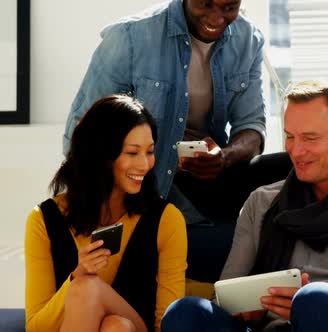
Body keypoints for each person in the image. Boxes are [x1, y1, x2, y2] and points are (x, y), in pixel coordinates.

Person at [63, 0, 292, 283]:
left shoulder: (248, 40)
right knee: (236, 243)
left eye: (229, 7)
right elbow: (81, 138)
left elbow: (252, 128)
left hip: (210, 176)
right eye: (206, 4)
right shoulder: (130, 37)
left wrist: (225, 156)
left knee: (296, 164)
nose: (217, 17)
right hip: (149, 188)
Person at [161, 80, 328, 332]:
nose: (296, 150)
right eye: (290, 136)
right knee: (185, 313)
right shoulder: (261, 202)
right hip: (270, 326)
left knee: (316, 300)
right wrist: (245, 309)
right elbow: (225, 296)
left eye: (310, 138)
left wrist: (322, 305)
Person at [25, 95, 187, 332]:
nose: (145, 164)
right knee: (114, 325)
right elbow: (36, 328)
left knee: (88, 289)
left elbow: (167, 324)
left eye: (150, 151)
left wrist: (83, 284)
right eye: (132, 153)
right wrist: (77, 276)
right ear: (100, 156)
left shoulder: (166, 220)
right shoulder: (43, 220)